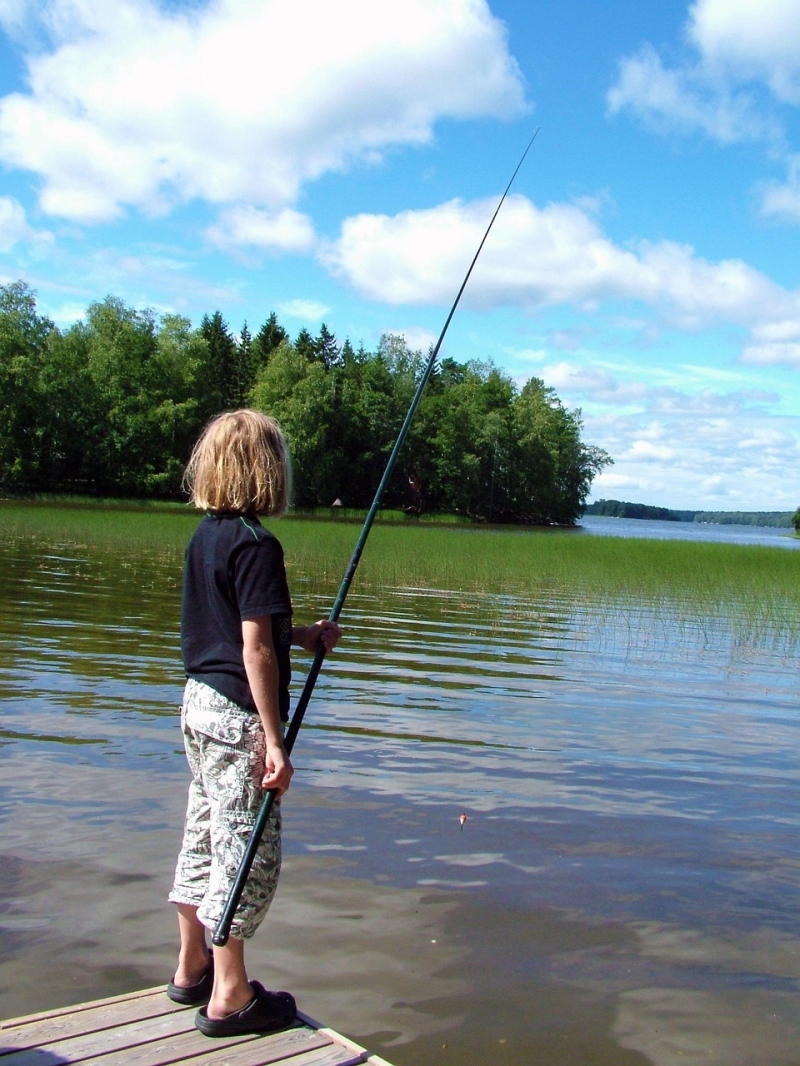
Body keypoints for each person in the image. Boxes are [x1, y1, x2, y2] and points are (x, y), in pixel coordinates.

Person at [166, 409, 341, 1038]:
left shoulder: (206, 537)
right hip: (238, 716)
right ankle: (231, 996)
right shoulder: (258, 543)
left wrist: (303, 634)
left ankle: (192, 969)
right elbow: (253, 650)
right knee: (248, 854)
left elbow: (243, 628)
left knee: (206, 833)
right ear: (268, 469)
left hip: (196, 705)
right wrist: (273, 740)